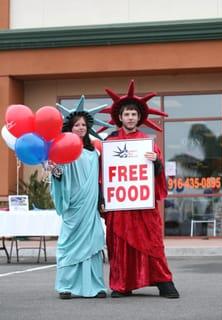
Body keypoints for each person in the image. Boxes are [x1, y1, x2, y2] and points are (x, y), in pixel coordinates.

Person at [100, 80, 180, 299]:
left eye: (134, 114)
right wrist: (102, 197)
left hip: (143, 206)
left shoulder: (147, 143)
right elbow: (103, 174)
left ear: (139, 118)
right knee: (121, 244)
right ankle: (121, 285)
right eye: (126, 114)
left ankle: (164, 282)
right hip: (120, 206)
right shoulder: (111, 141)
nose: (130, 118)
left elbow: (158, 176)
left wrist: (156, 163)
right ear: (120, 117)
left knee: (153, 242)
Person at [50, 97, 111, 299]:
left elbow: (99, 179)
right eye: (77, 125)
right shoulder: (63, 151)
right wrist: (57, 175)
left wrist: (101, 199)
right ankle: (66, 286)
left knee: (93, 243)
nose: (81, 128)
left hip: (90, 206)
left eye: (84, 125)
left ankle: (94, 285)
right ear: (70, 127)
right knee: (69, 244)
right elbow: (59, 175)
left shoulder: (94, 153)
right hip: (73, 206)